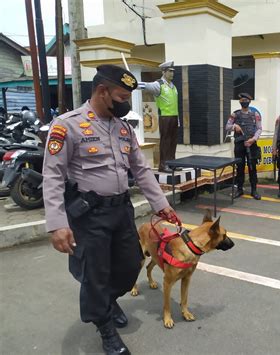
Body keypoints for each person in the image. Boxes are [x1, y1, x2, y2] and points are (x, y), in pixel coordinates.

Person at [43, 64, 180, 355]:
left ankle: (107, 299)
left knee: (131, 264)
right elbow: (52, 176)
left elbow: (141, 170)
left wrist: (162, 205)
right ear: (102, 91)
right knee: (96, 272)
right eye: (121, 97)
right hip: (89, 215)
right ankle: (105, 327)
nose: (126, 104)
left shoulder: (123, 128)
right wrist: (57, 224)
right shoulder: (68, 125)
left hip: (121, 211)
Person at [138, 61, 179, 173]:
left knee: (173, 141)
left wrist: (178, 120)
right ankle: (163, 165)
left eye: (173, 71)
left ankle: (172, 163)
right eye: (169, 71)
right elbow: (145, 85)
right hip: (165, 118)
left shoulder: (173, 86)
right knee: (165, 142)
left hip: (174, 117)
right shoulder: (158, 85)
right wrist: (132, 83)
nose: (172, 74)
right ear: (164, 72)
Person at [226, 93, 262, 200]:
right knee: (240, 167)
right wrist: (234, 126)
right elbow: (227, 126)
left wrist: (253, 139)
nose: (244, 101)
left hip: (252, 143)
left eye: (246, 100)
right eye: (242, 100)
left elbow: (259, 128)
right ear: (240, 101)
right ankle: (239, 189)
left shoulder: (255, 114)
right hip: (239, 144)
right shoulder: (235, 114)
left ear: (249, 101)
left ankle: (254, 190)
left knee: (252, 167)